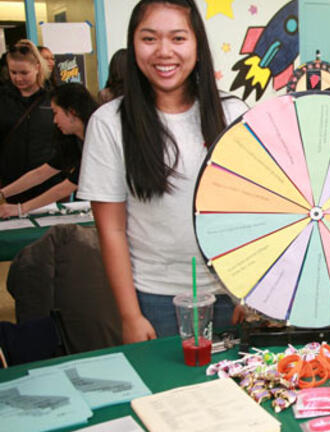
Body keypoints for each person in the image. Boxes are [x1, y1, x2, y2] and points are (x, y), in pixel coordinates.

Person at [77, 0, 248, 343]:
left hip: (233, 296)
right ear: (133, 44)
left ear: (198, 45)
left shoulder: (233, 114)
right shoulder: (110, 122)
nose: (164, 52)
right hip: (156, 301)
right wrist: (130, 315)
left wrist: (250, 290)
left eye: (178, 38)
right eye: (150, 38)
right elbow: (111, 229)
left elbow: (259, 211)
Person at [0, 83, 96, 218]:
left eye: (56, 113)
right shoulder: (74, 140)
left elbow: (67, 187)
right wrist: (3, 193)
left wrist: (20, 209)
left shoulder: (97, 137)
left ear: (72, 112)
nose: (54, 120)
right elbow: (42, 172)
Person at [1, 40, 61, 205]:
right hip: (10, 184)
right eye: (13, 72)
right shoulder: (3, 99)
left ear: (37, 68)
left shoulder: (54, 98)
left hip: (49, 184)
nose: (18, 78)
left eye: (24, 73)